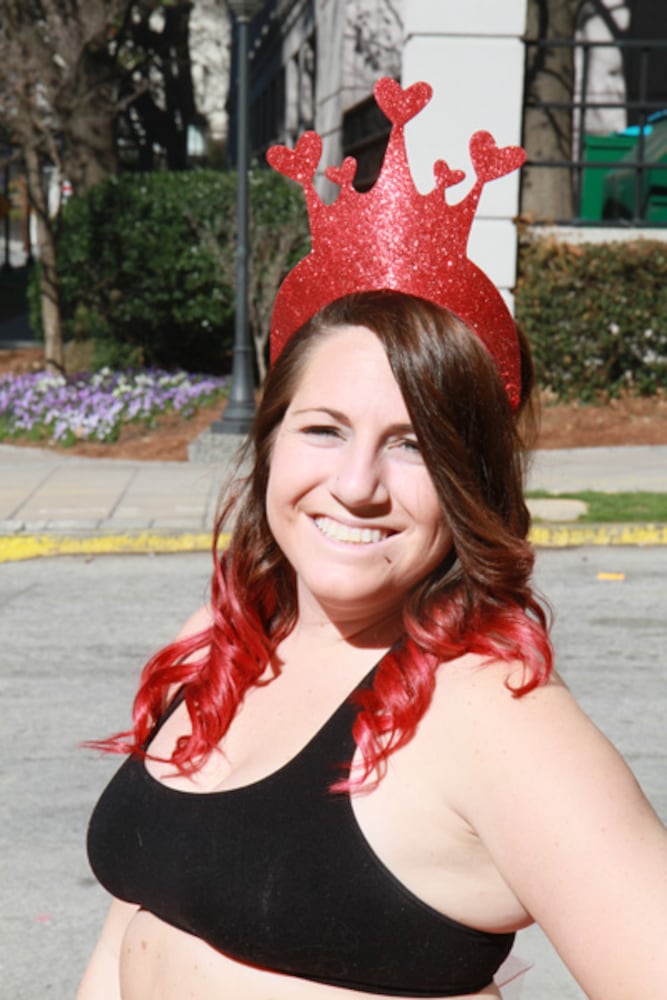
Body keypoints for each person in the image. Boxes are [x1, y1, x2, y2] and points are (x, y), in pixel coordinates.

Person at [79, 80, 667, 1000]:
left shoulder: (499, 721)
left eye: (413, 446)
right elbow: (142, 912)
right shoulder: (230, 640)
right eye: (323, 429)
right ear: (270, 441)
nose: (356, 486)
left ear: (469, 482)